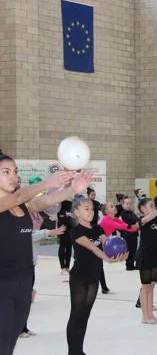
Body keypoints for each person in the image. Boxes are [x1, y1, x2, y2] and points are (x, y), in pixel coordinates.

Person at [1, 152, 91, 355]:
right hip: (2, 283)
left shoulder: (22, 205)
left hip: (23, 281)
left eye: (15, 171)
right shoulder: (9, 201)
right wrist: (46, 182)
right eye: (5, 172)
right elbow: (20, 195)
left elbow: (45, 201)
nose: (13, 176)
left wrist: (72, 189)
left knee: (12, 338)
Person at [66, 195, 127, 355]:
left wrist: (117, 253)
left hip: (94, 277)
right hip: (79, 278)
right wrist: (108, 258)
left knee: (85, 316)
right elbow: (94, 248)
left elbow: (106, 243)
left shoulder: (98, 228)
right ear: (76, 212)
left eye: (92, 209)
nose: (90, 212)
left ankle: (79, 350)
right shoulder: (76, 231)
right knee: (76, 315)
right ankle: (73, 352)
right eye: (86, 209)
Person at [119, 196, 140, 270]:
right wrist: (135, 224)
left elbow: (137, 220)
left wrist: (137, 223)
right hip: (127, 235)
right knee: (129, 250)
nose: (128, 205)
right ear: (123, 205)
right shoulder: (123, 214)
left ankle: (132, 264)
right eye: (127, 204)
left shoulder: (132, 213)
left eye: (130, 204)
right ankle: (128, 265)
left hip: (134, 234)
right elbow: (129, 222)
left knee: (133, 250)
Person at [58, 200, 74, 275]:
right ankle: (63, 267)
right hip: (63, 230)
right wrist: (67, 215)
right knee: (62, 246)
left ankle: (67, 267)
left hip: (70, 230)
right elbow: (62, 218)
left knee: (69, 248)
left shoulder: (71, 208)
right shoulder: (61, 210)